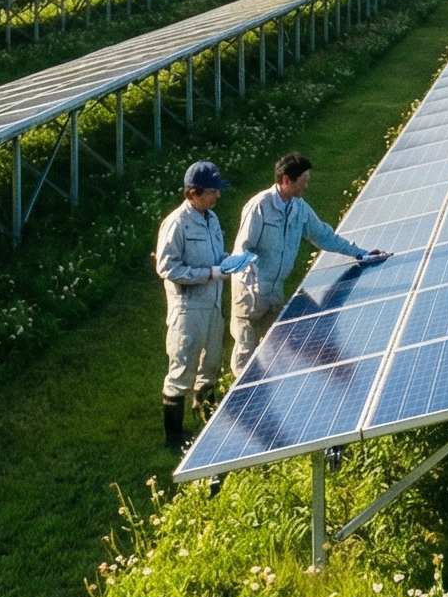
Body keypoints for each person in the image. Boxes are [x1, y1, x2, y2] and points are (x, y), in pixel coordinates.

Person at [230, 152, 389, 376]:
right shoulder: (259, 207)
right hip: (249, 292)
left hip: (274, 289)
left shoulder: (299, 208)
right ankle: (236, 402)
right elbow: (242, 249)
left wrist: (360, 253)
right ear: (287, 180)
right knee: (246, 351)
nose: (307, 185)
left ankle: (262, 393)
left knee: (277, 346)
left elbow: (323, 235)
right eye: (304, 180)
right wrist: (251, 283)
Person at [155, 160, 233, 453]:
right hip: (188, 309)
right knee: (182, 368)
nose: (217, 196)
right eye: (212, 191)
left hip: (213, 305)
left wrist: (229, 261)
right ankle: (173, 439)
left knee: (211, 362)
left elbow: (215, 254)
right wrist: (209, 274)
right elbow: (167, 267)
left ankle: (204, 417)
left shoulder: (211, 218)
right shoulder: (176, 224)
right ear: (192, 193)